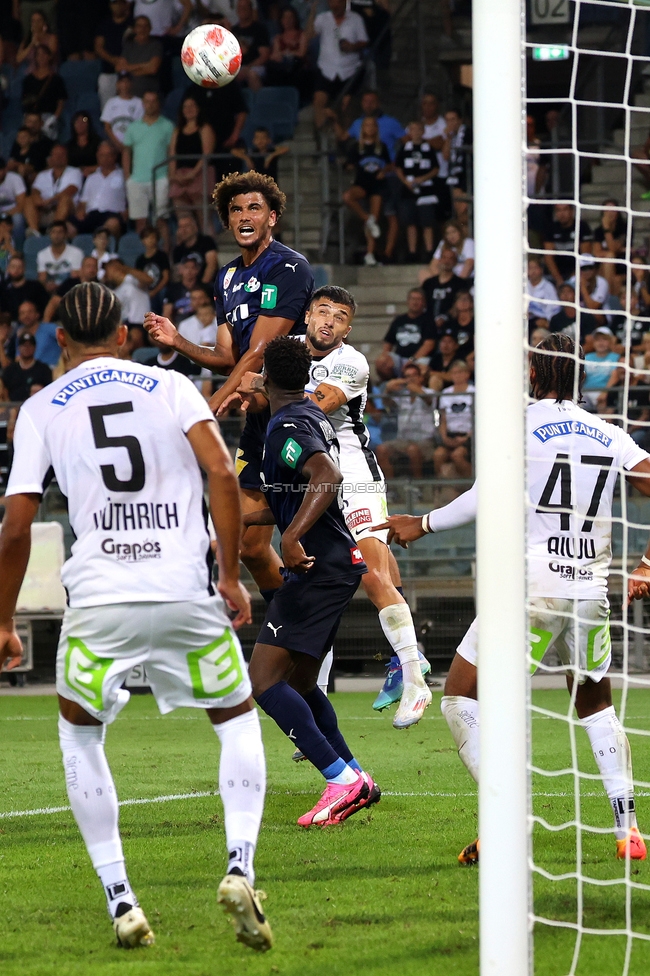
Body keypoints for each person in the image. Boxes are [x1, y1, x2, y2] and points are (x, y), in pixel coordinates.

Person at [0, 280, 273, 951]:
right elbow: (221, 475)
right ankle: (240, 866)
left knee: (80, 739)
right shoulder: (172, 387)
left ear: (59, 341)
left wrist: (4, 621)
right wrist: (231, 574)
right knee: (235, 722)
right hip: (183, 591)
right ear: (124, 336)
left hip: (98, 602)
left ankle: (122, 900)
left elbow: (15, 528)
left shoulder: (38, 408)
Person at [375, 333, 650, 865]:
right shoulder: (610, 434)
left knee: (459, 696)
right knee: (595, 706)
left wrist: (422, 523)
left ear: (534, 373)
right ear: (576, 376)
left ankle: (505, 817)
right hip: (590, 589)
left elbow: (486, 494)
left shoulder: (522, 424)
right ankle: (629, 830)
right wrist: (647, 563)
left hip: (532, 587)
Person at [229, 288, 434, 724]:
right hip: (312, 476)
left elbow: (318, 405)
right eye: (322, 312)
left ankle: (415, 678)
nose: (329, 322)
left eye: (339, 317)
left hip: (354, 475)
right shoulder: (285, 356)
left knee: (373, 574)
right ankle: (316, 696)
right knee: (315, 584)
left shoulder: (350, 362)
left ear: (348, 328)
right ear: (306, 315)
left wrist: (264, 388)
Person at [144, 170, 314, 597]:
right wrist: (177, 340)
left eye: (254, 207)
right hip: (259, 422)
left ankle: (324, 630)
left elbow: (260, 351)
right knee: (250, 546)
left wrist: (212, 404)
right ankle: (290, 619)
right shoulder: (226, 277)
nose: (244, 215)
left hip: (297, 417)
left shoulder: (289, 266)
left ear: (272, 217)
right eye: (235, 209)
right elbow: (229, 357)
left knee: (309, 538)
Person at [239, 334, 379, 826]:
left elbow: (326, 477)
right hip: (334, 562)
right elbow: (285, 496)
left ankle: (341, 780)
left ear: (268, 378)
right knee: (298, 681)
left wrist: (292, 538)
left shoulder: (288, 425)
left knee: (263, 680)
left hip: (315, 566)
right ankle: (355, 774)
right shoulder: (308, 413)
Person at [122, 91, 174, 249]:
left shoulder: (168, 126)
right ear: (143, 104)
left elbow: (171, 153)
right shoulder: (133, 127)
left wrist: (170, 176)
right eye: (147, 101)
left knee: (161, 219)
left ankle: (165, 255)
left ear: (158, 103)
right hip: (137, 179)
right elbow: (126, 152)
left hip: (160, 177)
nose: (150, 104)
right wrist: (127, 176)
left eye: (153, 101)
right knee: (140, 221)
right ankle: (144, 255)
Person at [308, 0, 369, 131]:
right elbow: (309, 35)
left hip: (349, 69)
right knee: (318, 101)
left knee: (347, 104)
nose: (335, 6)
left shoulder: (355, 19)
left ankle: (346, 136)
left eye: (338, 3)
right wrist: (313, 10)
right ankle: (323, 135)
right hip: (327, 69)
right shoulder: (323, 19)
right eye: (332, 3)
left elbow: (364, 41)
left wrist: (352, 47)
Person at [343, 117, 391, 267]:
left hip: (377, 185)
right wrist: (350, 167)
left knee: (374, 221)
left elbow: (389, 164)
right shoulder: (357, 147)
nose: (369, 128)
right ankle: (366, 217)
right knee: (348, 197)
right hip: (362, 184)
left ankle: (370, 254)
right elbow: (348, 164)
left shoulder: (381, 147)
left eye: (372, 125)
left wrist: (384, 171)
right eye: (367, 125)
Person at [376, 362, 437, 480]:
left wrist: (415, 389)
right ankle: (391, 489)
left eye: (413, 376)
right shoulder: (401, 395)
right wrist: (388, 390)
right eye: (407, 376)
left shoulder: (429, 392)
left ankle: (418, 486)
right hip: (402, 440)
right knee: (381, 449)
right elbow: (387, 403)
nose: (410, 379)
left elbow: (429, 400)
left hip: (424, 440)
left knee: (412, 449)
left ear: (420, 378)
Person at [394, 120, 442, 263]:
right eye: (412, 129)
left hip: (426, 189)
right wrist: (406, 182)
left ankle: (429, 251)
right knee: (410, 222)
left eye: (418, 129)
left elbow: (435, 168)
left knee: (427, 221)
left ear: (423, 131)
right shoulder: (404, 148)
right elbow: (398, 168)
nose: (415, 132)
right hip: (409, 190)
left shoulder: (428, 148)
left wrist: (422, 178)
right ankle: (412, 252)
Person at [168, 96, 216, 227]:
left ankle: (208, 245)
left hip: (200, 175)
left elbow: (207, 154)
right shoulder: (177, 131)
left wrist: (193, 174)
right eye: (185, 106)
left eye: (192, 106)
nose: (189, 109)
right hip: (180, 176)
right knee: (184, 220)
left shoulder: (205, 128)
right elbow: (172, 155)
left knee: (203, 219)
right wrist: (173, 175)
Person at [375, 287, 434, 380]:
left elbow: (429, 345)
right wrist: (386, 355)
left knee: (423, 369)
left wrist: (412, 360)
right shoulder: (399, 320)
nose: (415, 302)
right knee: (381, 362)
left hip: (419, 359)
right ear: (408, 301)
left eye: (418, 299)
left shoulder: (428, 321)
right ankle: (389, 384)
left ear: (424, 303)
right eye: (413, 299)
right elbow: (388, 342)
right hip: (399, 358)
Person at [76, 142, 127, 241]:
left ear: (115, 156)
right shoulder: (91, 177)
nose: (105, 158)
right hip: (91, 215)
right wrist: (80, 210)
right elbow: (83, 202)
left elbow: (131, 198)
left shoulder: (123, 175)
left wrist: (127, 212)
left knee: (112, 224)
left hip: (112, 214)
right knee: (67, 228)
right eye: (102, 155)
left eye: (108, 155)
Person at [432, 359, 474, 479]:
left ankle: (470, 484)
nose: (457, 375)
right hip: (451, 434)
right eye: (454, 373)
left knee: (458, 456)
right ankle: (440, 488)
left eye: (460, 372)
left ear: (467, 374)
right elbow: (443, 419)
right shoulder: (446, 393)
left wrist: (466, 437)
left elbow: (479, 419)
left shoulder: (474, 391)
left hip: (469, 435)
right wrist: (445, 437)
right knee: (438, 455)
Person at [31, 144, 83, 230]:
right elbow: (35, 190)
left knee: (65, 199)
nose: (58, 157)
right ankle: (34, 232)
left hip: (66, 210)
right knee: (29, 200)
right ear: (50, 158)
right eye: (55, 154)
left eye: (61, 154)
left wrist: (51, 200)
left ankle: (54, 230)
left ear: (66, 157)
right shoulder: (42, 175)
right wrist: (38, 200)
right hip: (44, 209)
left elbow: (71, 190)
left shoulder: (75, 172)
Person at [20, 45, 67, 138]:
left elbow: (61, 102)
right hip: (31, 116)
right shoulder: (28, 79)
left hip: (48, 116)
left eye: (44, 54)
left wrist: (53, 119)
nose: (41, 57)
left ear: (49, 56)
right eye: (38, 55)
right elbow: (24, 100)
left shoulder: (56, 79)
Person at [94, 0, 135, 108]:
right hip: (109, 70)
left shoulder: (132, 24)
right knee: (105, 93)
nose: (116, 6)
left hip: (130, 70)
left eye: (119, 2)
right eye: (113, 3)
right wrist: (114, 60)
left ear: (125, 4)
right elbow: (98, 47)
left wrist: (124, 63)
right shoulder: (105, 24)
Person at [543, 202, 593, 287]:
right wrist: (559, 280)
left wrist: (572, 280)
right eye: (558, 210)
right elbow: (548, 257)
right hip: (557, 273)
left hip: (578, 272)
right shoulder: (550, 228)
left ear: (572, 211)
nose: (562, 214)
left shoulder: (582, 227)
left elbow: (585, 256)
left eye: (565, 210)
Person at [266, 6, 310, 97]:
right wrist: (281, 55)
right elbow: (274, 55)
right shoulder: (278, 38)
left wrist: (287, 53)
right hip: (282, 66)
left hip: (297, 66)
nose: (287, 20)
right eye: (285, 17)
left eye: (290, 17)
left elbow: (301, 53)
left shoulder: (302, 35)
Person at [115, 15, 163, 98]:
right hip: (128, 94)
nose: (142, 29)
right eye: (139, 26)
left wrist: (129, 68)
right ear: (134, 29)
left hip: (148, 93)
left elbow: (153, 69)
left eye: (145, 26)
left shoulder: (156, 45)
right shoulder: (129, 45)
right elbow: (119, 68)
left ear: (150, 28)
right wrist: (144, 65)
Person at [421, 246, 465, 333]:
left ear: (455, 262)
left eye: (450, 258)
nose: (447, 261)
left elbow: (460, 305)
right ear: (439, 260)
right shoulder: (428, 283)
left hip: (451, 327)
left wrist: (444, 318)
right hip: (428, 327)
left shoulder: (460, 284)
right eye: (444, 257)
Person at [43, 255, 99, 322]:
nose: (91, 270)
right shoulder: (70, 283)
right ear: (81, 269)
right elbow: (54, 302)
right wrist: (45, 324)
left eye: (94, 267)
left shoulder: (100, 288)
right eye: (88, 266)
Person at [7, 298, 60, 366]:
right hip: (30, 372)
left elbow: (67, 341)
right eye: (22, 313)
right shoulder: (20, 333)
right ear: (19, 317)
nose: (26, 316)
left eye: (30, 312)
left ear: (37, 314)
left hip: (53, 370)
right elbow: (18, 359)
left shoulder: (50, 328)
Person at [232, 0, 271, 91]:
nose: (243, 10)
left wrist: (247, 68)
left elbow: (264, 56)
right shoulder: (233, 31)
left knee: (252, 74)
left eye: (245, 7)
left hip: (255, 66)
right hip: (237, 68)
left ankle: (260, 102)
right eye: (240, 8)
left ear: (251, 9)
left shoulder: (260, 29)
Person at [1, 331, 52, 401]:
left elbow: (49, 391)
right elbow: (4, 390)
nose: (27, 348)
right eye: (24, 345)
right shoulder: (10, 370)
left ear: (35, 347)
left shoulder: (44, 370)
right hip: (12, 407)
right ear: (19, 348)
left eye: (29, 345)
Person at [36, 221, 84, 293]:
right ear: (49, 234)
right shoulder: (42, 254)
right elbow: (42, 278)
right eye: (53, 232)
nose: (56, 235)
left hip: (69, 291)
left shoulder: (76, 253)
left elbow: (75, 278)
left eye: (60, 232)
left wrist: (60, 287)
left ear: (65, 234)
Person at [582, 326, 622, 412]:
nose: (601, 343)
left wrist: (605, 392)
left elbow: (615, 375)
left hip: (606, 393)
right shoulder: (587, 357)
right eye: (597, 340)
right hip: (586, 392)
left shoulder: (615, 357)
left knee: (603, 405)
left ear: (610, 342)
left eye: (604, 339)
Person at [101, 73, 145, 151]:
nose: (124, 85)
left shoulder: (139, 103)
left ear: (131, 84)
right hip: (114, 145)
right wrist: (117, 144)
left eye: (127, 81)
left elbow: (141, 126)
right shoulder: (111, 102)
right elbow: (107, 127)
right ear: (117, 84)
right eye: (122, 82)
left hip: (133, 145)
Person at [171, 212, 218, 285]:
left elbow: (212, 266)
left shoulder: (206, 241)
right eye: (180, 227)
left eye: (186, 226)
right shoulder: (178, 250)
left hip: (208, 286)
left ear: (195, 228)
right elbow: (178, 275)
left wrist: (202, 287)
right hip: (186, 289)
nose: (183, 230)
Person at [103, 257, 152, 326]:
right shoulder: (115, 292)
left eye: (108, 269)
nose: (106, 273)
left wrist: (125, 269)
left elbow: (149, 280)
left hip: (141, 323)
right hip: (127, 324)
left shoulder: (133, 279)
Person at [8, 113, 54, 184]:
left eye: (36, 122)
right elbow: (11, 162)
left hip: (41, 178)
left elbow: (52, 166)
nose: (32, 125)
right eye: (29, 121)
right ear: (24, 123)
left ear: (41, 123)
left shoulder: (48, 143)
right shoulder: (18, 143)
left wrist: (39, 175)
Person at [134, 225, 170, 309]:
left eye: (152, 237)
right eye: (147, 238)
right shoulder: (140, 260)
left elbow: (166, 277)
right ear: (142, 241)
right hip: (146, 291)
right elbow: (138, 279)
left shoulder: (161, 256)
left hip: (160, 289)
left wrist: (154, 292)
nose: (150, 240)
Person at [162, 256, 202, 323]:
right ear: (180, 270)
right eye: (186, 267)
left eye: (192, 268)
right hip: (179, 325)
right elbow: (167, 313)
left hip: (200, 325)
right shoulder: (172, 289)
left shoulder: (204, 288)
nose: (189, 271)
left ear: (197, 270)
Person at [0, 157, 29, 242]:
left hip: (14, 212)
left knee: (18, 219)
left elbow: (21, 204)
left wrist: (6, 214)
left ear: (5, 169)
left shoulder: (15, 178)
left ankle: (19, 247)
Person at [527, 256, 560, 329]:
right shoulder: (522, 286)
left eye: (535, 268)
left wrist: (547, 320)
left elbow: (555, 310)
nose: (533, 271)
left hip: (542, 322)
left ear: (541, 270)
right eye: (530, 268)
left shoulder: (549, 287)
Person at [66, 111, 101, 178]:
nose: (80, 124)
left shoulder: (97, 143)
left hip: (95, 175)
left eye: (83, 121)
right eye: (77, 121)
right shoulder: (69, 145)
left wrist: (91, 169)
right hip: (73, 177)